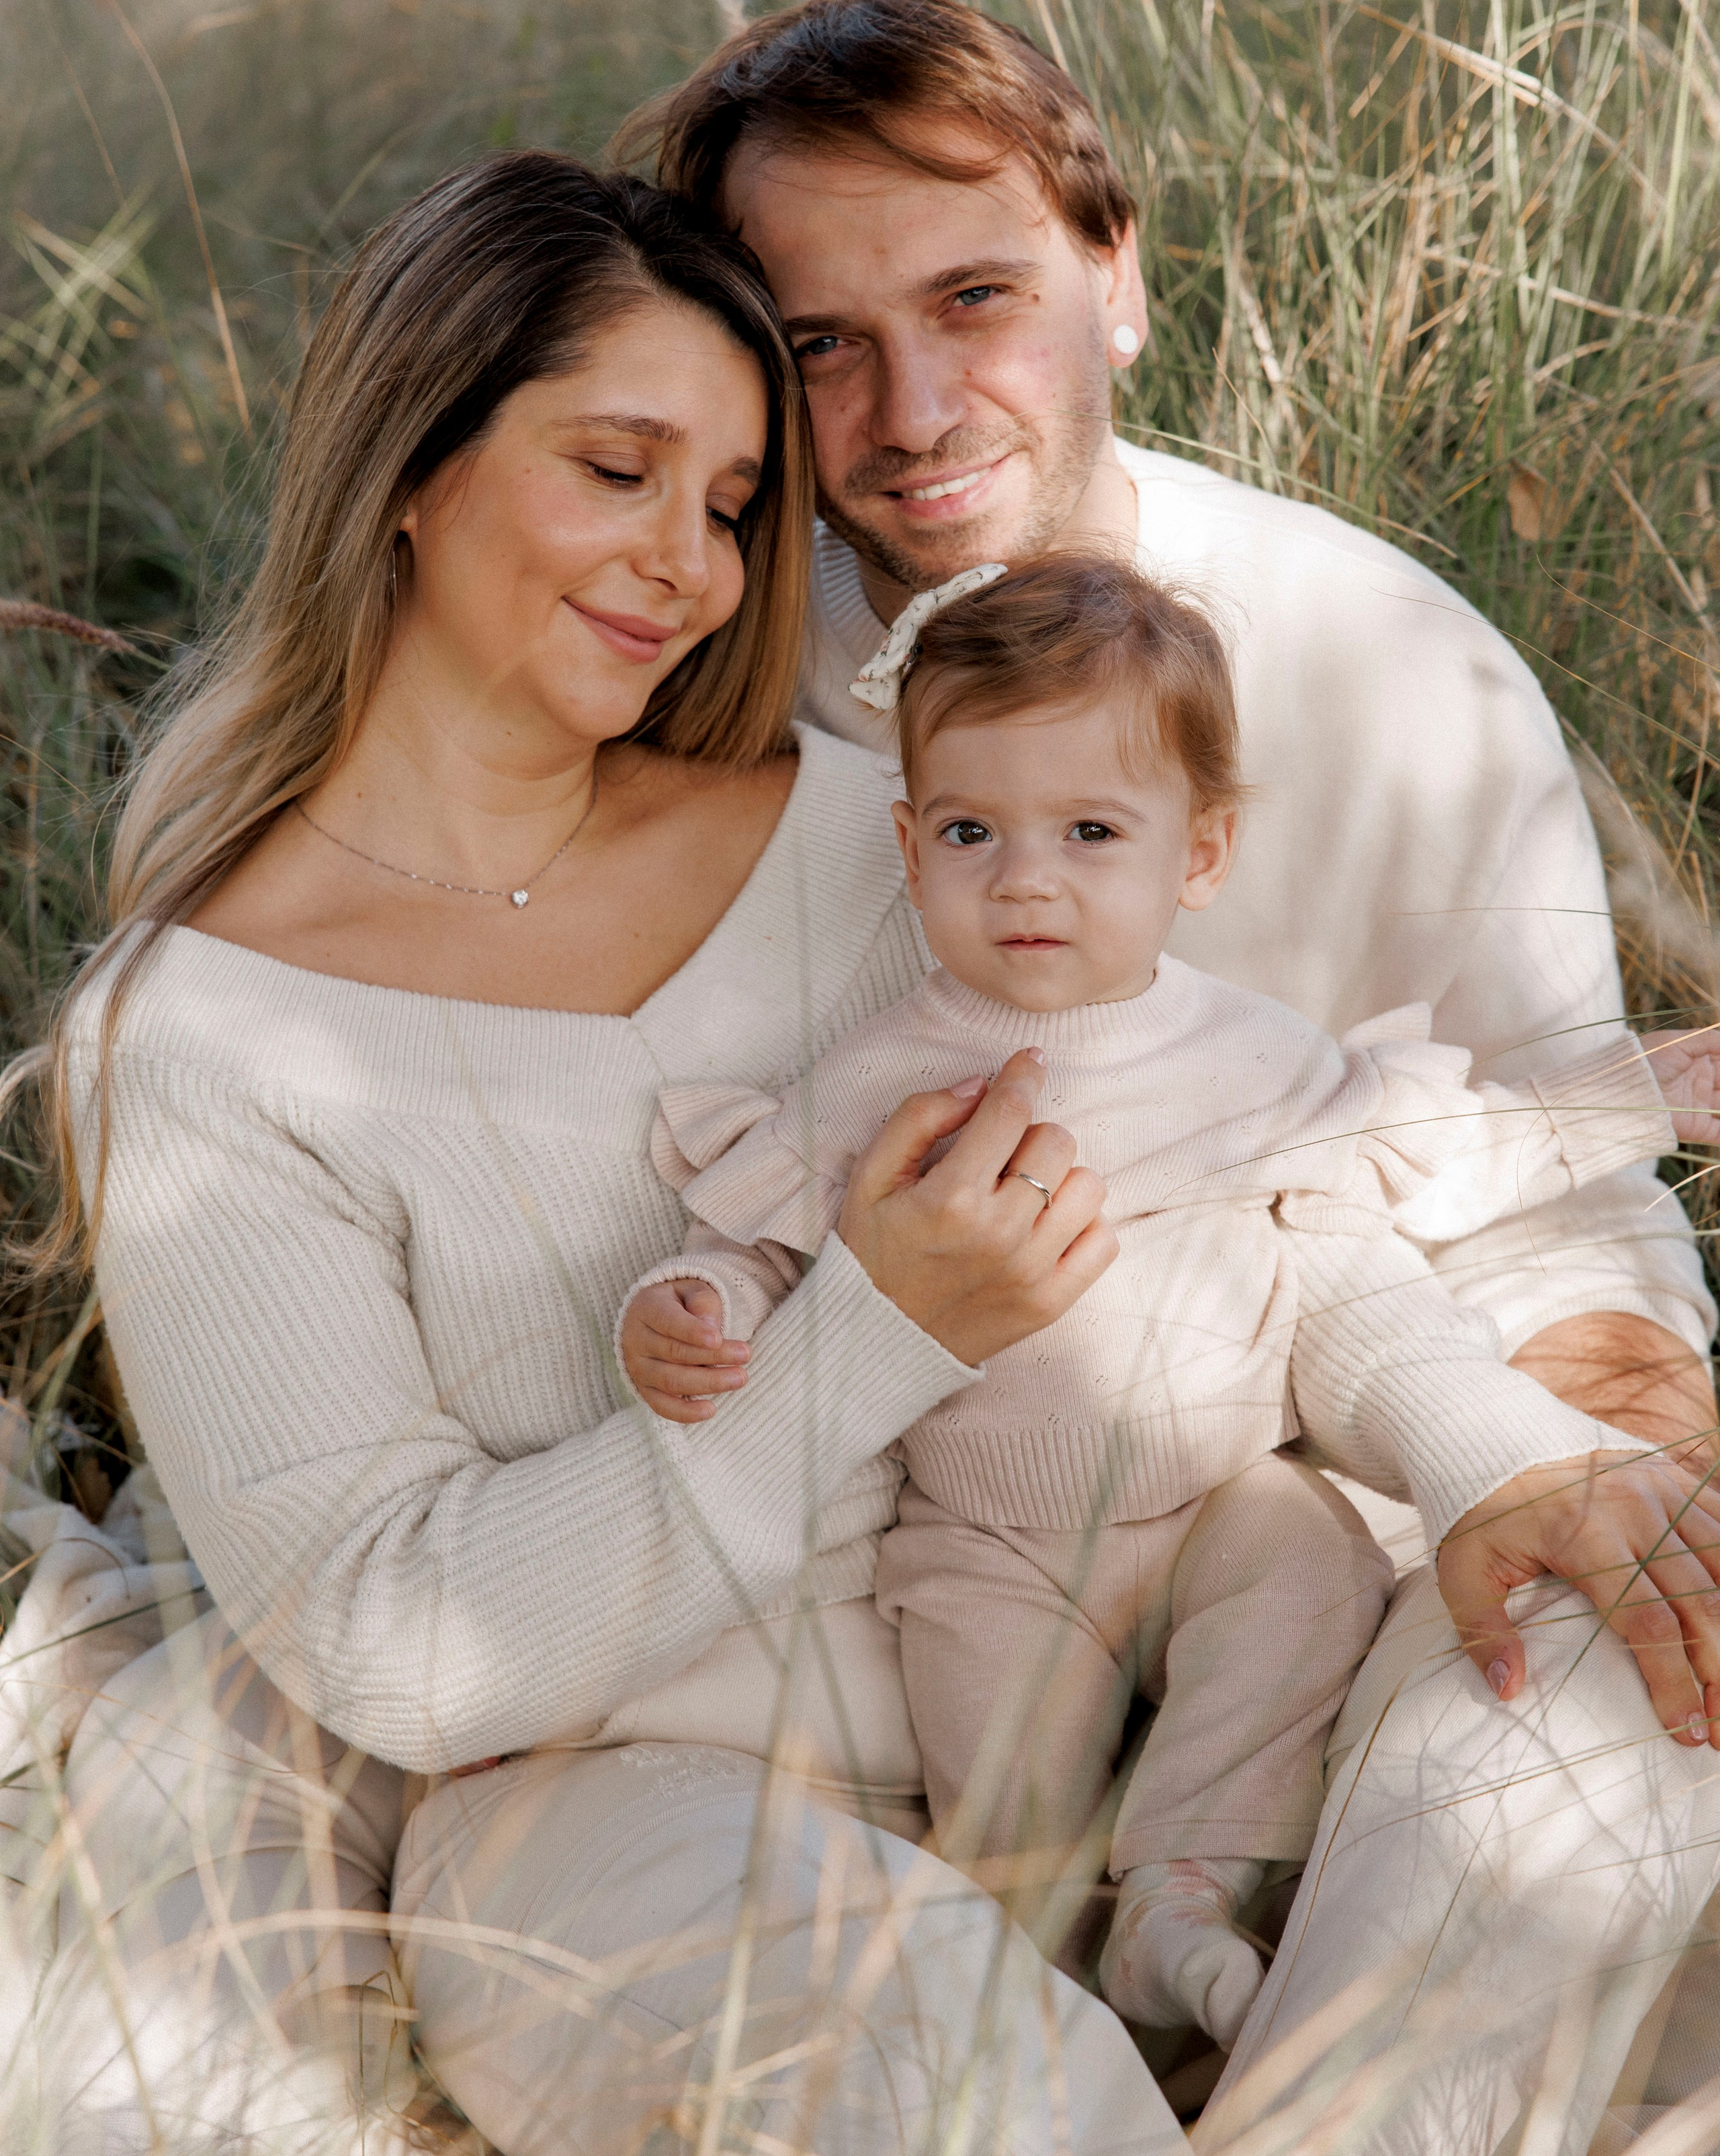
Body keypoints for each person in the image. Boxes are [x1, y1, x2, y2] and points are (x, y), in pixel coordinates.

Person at [11, 149, 1280, 2156]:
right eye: (617, 470)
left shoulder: (864, 837)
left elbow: (1208, 1113)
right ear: (408, 465)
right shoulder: (208, 1033)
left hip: (1099, 1687)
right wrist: (866, 1341)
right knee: (980, 2109)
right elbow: (400, 1642)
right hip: (609, 1829)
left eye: (728, 507)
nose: (686, 569)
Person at [618, 0, 1720, 2156]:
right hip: (907, 1542)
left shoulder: (1382, 662)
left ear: (1115, 265)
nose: (911, 419)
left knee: (1616, 1663)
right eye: (817, 346)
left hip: (1329, 1470)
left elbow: (1551, 1167)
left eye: (977, 300)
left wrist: (1586, 1435)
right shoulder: (691, 686)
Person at [617, 546, 1703, 2057]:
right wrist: (692, 1301)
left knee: (1308, 1571)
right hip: (988, 1534)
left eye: (1089, 831)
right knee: (1001, 1787)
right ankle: (1036, 1990)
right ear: (907, 842)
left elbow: (1421, 1156)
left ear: (1197, 853)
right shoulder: (885, 1074)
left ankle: (1184, 1893)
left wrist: (1623, 1102)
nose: (1025, 879)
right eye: (970, 831)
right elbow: (765, 1246)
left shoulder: (1251, 1054)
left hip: (1218, 1492)